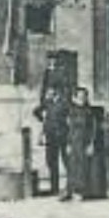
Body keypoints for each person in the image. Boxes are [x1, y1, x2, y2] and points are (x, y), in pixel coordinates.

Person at [34, 71, 73, 199]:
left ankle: (70, 187)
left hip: (62, 136)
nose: (48, 93)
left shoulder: (65, 103)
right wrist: (42, 117)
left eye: (50, 90)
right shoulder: (48, 103)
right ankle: (54, 188)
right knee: (51, 162)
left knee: (67, 162)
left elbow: (71, 117)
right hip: (50, 136)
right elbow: (36, 112)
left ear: (56, 91)